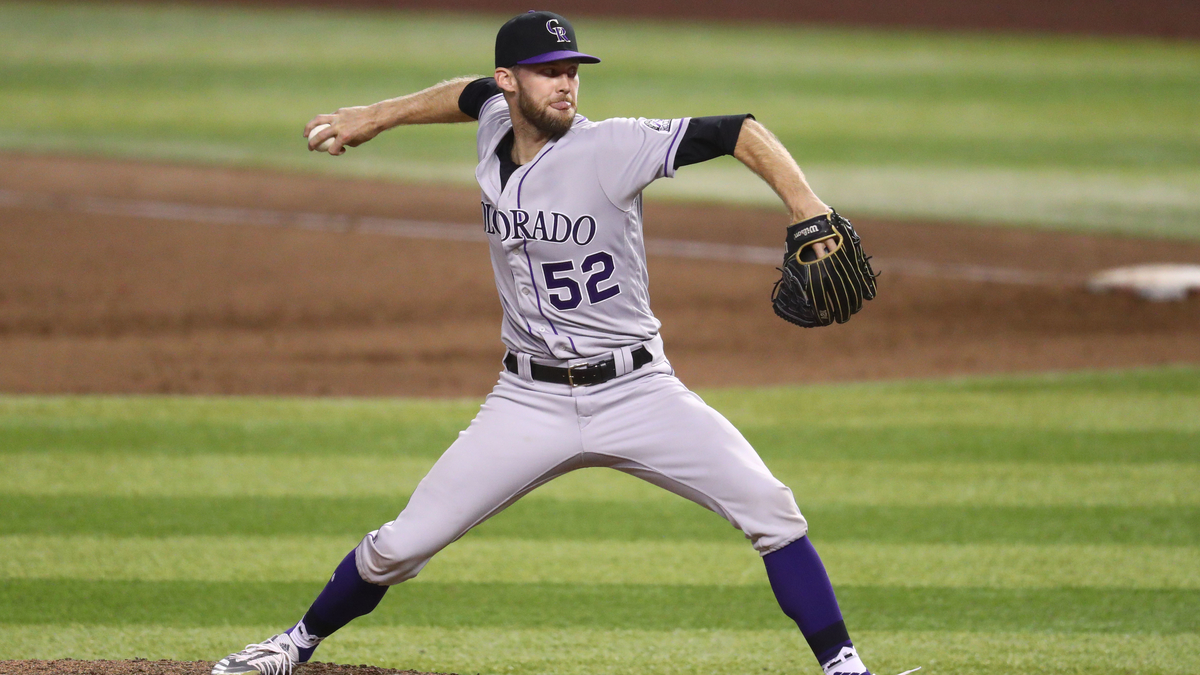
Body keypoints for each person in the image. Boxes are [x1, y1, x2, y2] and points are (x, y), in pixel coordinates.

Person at [213, 11, 910, 675]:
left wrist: (807, 205)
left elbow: (739, 131)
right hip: (528, 399)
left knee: (771, 508)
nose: (567, 83)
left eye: (573, 68)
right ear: (512, 81)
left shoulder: (613, 146)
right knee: (401, 544)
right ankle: (293, 645)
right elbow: (466, 92)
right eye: (548, 71)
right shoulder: (494, 122)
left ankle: (845, 666)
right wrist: (376, 116)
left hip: (639, 391)